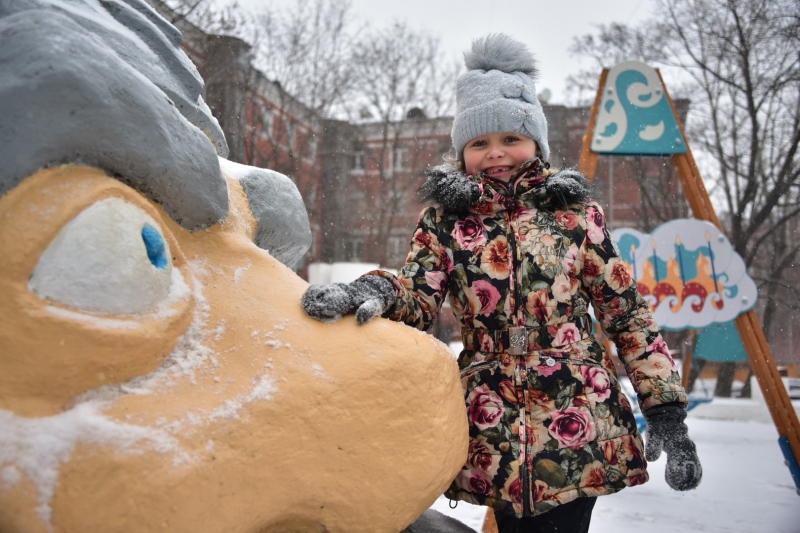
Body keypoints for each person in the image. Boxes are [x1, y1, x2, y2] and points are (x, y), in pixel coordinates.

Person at [302, 33, 701, 533]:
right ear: (462, 150)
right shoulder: (445, 222)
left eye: (510, 138)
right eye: (479, 142)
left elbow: (627, 315)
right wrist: (378, 290)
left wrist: (666, 411)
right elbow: (417, 295)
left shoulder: (576, 218)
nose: (496, 153)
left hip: (579, 412)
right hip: (492, 416)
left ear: (536, 142)